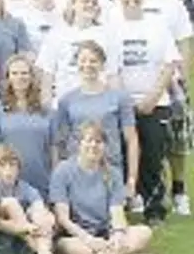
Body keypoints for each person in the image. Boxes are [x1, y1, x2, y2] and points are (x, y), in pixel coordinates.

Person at [115, 0, 181, 223]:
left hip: (155, 102)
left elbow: (170, 63)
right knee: (121, 155)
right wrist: (125, 100)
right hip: (122, 103)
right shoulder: (112, 25)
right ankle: (124, 204)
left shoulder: (157, 25)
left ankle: (154, 209)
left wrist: (153, 96)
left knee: (153, 156)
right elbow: (110, 67)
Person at [50, 123, 156, 254]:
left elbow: (117, 211)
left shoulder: (113, 173)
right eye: (88, 140)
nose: (93, 146)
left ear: (105, 146)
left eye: (99, 142)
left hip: (105, 232)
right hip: (76, 235)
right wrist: (88, 239)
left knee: (144, 232)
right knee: (79, 251)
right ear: (79, 144)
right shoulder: (63, 171)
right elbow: (63, 218)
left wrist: (118, 234)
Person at [52, 40, 138, 194]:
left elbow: (131, 140)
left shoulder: (119, 98)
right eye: (83, 60)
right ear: (76, 64)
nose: (88, 65)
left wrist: (131, 179)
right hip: (77, 170)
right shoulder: (66, 100)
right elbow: (60, 142)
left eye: (93, 61)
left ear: (102, 65)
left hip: (109, 169)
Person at [0, 144, 62, 254]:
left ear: (19, 168)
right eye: (3, 166)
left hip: (26, 245)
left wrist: (44, 219)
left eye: (13, 166)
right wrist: (25, 227)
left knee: (43, 216)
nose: (9, 171)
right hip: (2, 243)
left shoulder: (26, 188)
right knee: (10, 203)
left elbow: (40, 209)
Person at [0, 53, 55, 201]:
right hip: (10, 183)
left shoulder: (46, 111)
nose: (20, 77)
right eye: (15, 73)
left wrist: (55, 180)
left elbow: (53, 148)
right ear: (8, 78)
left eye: (24, 73)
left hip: (41, 179)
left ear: (32, 77)